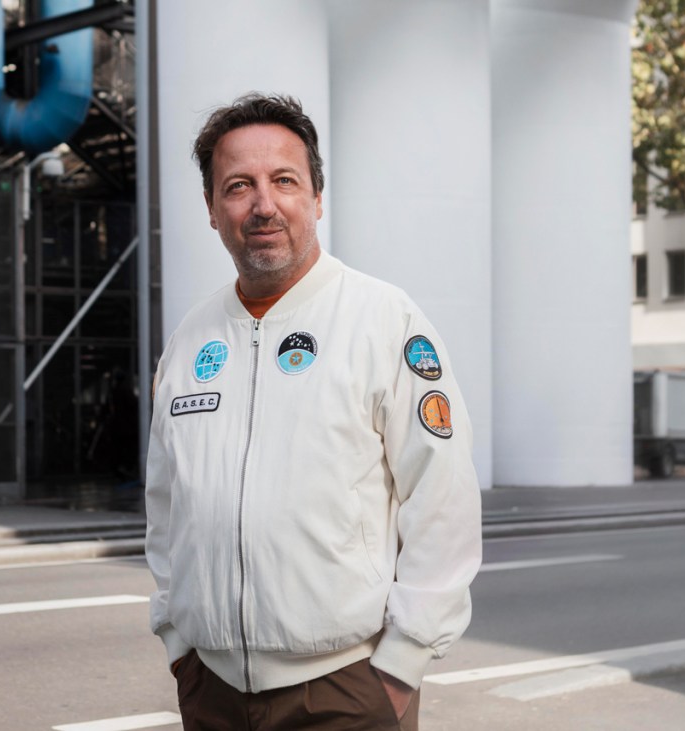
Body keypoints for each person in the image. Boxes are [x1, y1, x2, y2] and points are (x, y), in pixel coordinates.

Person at [144, 92, 482, 730]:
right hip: (212, 691)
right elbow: (167, 505)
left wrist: (401, 664)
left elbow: (444, 496)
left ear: (317, 198)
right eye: (238, 186)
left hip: (346, 690)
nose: (263, 205)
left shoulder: (384, 321)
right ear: (212, 209)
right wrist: (177, 640)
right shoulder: (190, 341)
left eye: (284, 181)